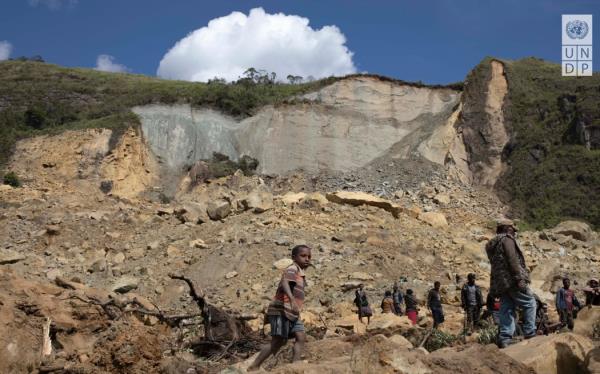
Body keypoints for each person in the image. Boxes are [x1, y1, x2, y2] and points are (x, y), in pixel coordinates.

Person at [249, 245, 312, 371]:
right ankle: (254, 367)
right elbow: (285, 283)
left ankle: (295, 366)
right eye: (303, 256)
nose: (307, 259)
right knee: (278, 341)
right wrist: (292, 299)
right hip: (281, 310)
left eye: (309, 257)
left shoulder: (300, 273)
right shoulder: (292, 269)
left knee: (301, 337)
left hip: (292, 312)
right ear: (294, 257)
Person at [485, 218, 536, 348]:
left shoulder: (493, 244)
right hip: (512, 280)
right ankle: (530, 332)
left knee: (506, 308)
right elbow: (512, 259)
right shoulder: (507, 240)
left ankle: (505, 338)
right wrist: (519, 278)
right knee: (530, 303)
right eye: (513, 229)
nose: (514, 232)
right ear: (507, 229)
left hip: (500, 282)